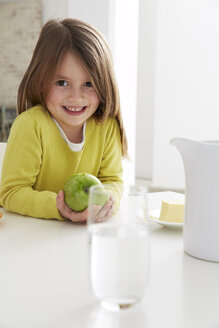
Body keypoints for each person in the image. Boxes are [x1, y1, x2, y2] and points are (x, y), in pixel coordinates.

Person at [0, 18, 128, 223]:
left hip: (82, 238)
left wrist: (107, 201)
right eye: (62, 82)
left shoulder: (106, 125)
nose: (76, 97)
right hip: (33, 237)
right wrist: (60, 208)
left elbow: (113, 181)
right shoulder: (30, 125)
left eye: (89, 83)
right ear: (41, 81)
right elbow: (11, 192)